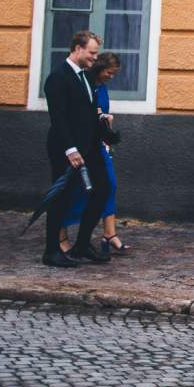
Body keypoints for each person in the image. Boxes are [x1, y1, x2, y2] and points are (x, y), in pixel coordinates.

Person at [40, 31, 109, 268]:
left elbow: (88, 112)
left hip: (90, 146)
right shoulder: (58, 78)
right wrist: (70, 149)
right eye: (91, 52)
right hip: (65, 147)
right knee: (61, 197)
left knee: (103, 188)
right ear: (77, 49)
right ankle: (51, 250)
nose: (94, 57)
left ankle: (81, 244)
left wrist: (102, 130)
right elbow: (58, 118)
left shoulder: (86, 77)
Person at [83, 51, 126, 255]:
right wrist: (100, 117)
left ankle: (109, 233)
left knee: (111, 184)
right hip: (85, 144)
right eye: (109, 72)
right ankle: (62, 235)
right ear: (99, 68)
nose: (112, 76)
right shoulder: (88, 86)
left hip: (101, 143)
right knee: (79, 191)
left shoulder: (102, 87)